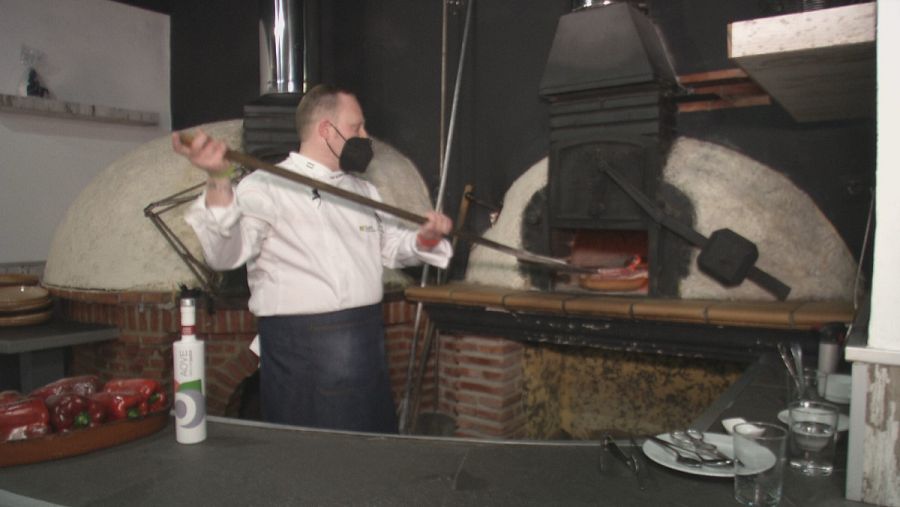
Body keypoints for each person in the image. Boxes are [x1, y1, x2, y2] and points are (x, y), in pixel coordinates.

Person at [172, 84, 453, 433]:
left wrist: (425, 238)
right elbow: (225, 255)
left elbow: (391, 245)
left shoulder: (363, 190)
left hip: (366, 337)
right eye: (356, 127)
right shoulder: (266, 186)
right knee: (312, 456)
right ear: (325, 129)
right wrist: (218, 179)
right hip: (303, 348)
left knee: (372, 447)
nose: (365, 137)